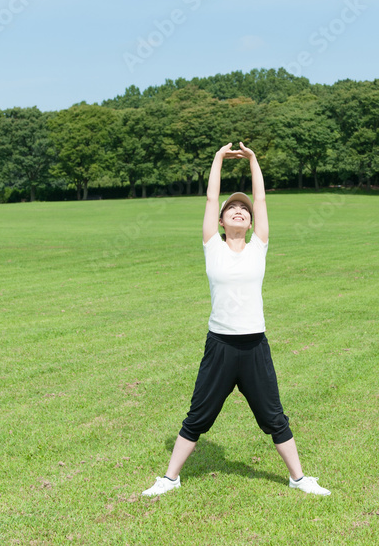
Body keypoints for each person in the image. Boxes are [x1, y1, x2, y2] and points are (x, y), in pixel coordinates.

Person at [142, 141, 330, 497]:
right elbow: (211, 199)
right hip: (221, 347)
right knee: (197, 416)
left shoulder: (259, 245)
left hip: (255, 347)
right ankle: (169, 479)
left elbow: (261, 200)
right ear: (222, 220)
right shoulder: (212, 245)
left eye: (244, 209)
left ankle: (299, 478)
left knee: (274, 417)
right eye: (233, 209)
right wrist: (217, 159)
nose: (240, 211)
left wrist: (254, 160)